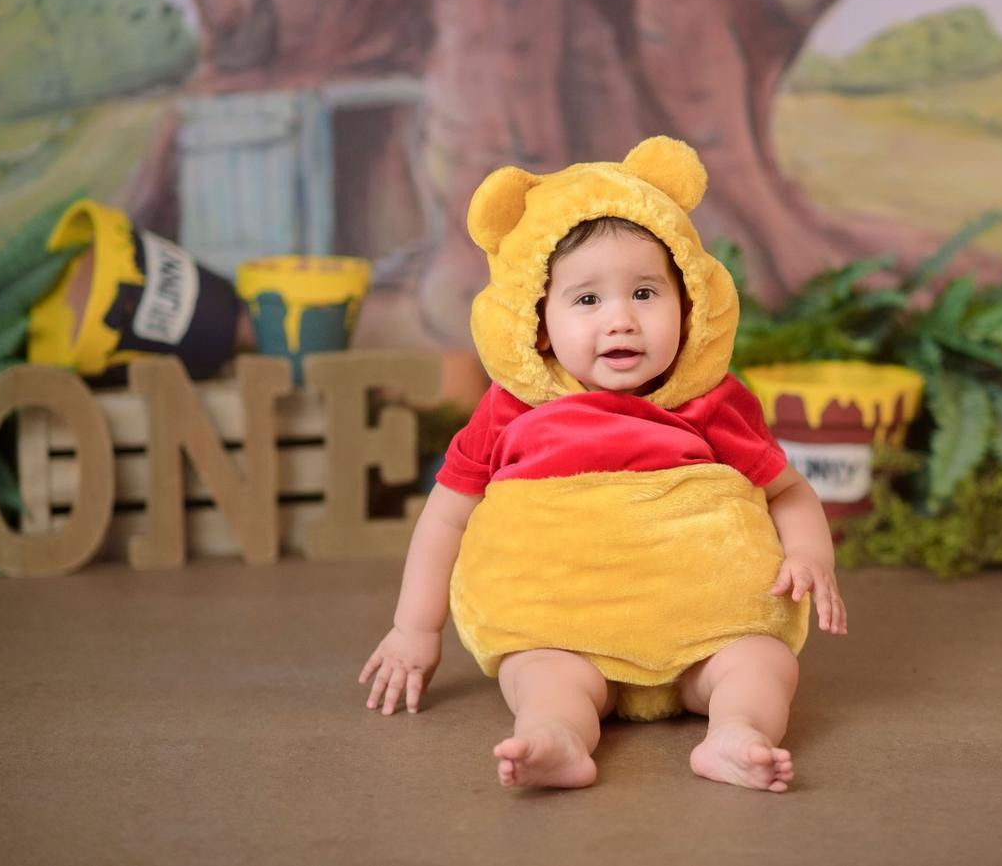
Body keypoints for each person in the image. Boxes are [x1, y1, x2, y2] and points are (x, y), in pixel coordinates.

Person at [359, 136, 847, 792]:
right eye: (587, 300)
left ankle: (739, 732)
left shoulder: (713, 403)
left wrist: (811, 551)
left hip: (703, 633)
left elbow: (786, 490)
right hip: (562, 627)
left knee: (761, 662)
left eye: (645, 292)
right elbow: (446, 516)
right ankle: (557, 733)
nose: (620, 320)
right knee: (540, 673)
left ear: (688, 301)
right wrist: (414, 628)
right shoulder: (509, 412)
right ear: (539, 321)